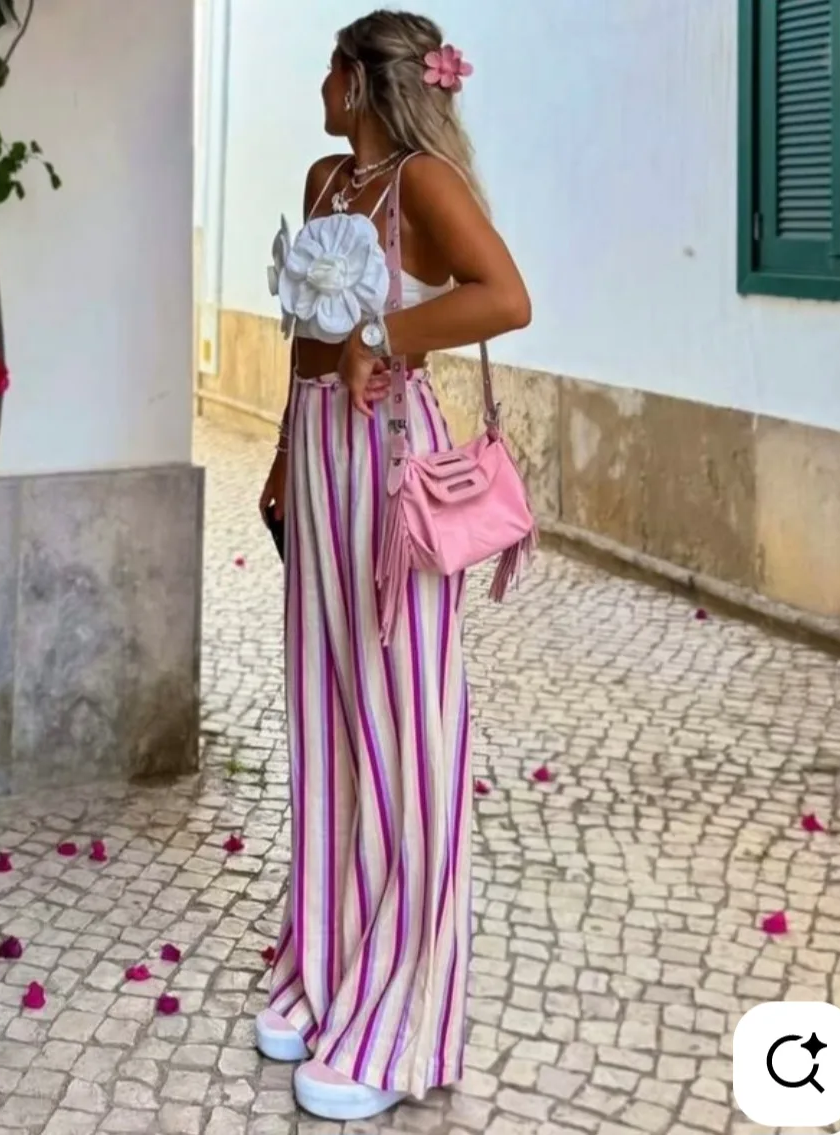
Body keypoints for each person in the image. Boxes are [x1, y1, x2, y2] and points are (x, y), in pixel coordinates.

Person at [256, 10, 531, 1122]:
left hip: (392, 463)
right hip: (321, 459)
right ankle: (325, 965)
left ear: (362, 81)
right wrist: (283, 456)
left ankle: (399, 1013)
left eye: (331, 71)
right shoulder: (326, 180)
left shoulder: (425, 183)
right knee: (324, 713)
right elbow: (306, 342)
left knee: (408, 725)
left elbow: (504, 296)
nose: (320, 90)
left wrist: (386, 340)